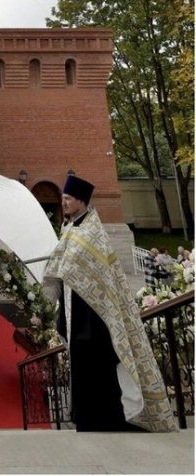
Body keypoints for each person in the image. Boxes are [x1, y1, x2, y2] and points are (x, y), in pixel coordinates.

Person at [44, 174, 176, 433]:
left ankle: (103, 418)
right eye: (63, 198)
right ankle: (85, 417)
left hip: (95, 315)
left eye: (68, 199)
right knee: (82, 367)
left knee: (98, 367)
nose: (64, 203)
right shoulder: (71, 228)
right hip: (76, 311)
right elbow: (59, 266)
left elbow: (85, 268)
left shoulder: (92, 232)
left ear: (81, 201)